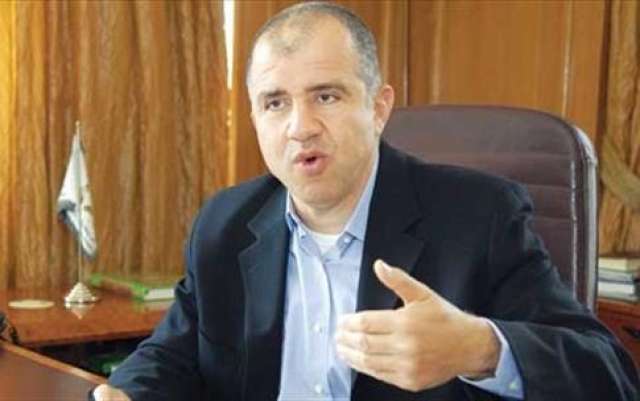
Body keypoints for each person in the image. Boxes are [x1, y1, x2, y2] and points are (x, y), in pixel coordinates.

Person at [93, 2, 639, 401]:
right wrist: (127, 392)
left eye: (326, 96)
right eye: (275, 103)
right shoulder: (226, 222)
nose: (300, 127)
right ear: (255, 117)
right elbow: (173, 353)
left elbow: (611, 376)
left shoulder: (480, 217)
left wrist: (480, 349)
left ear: (378, 108)